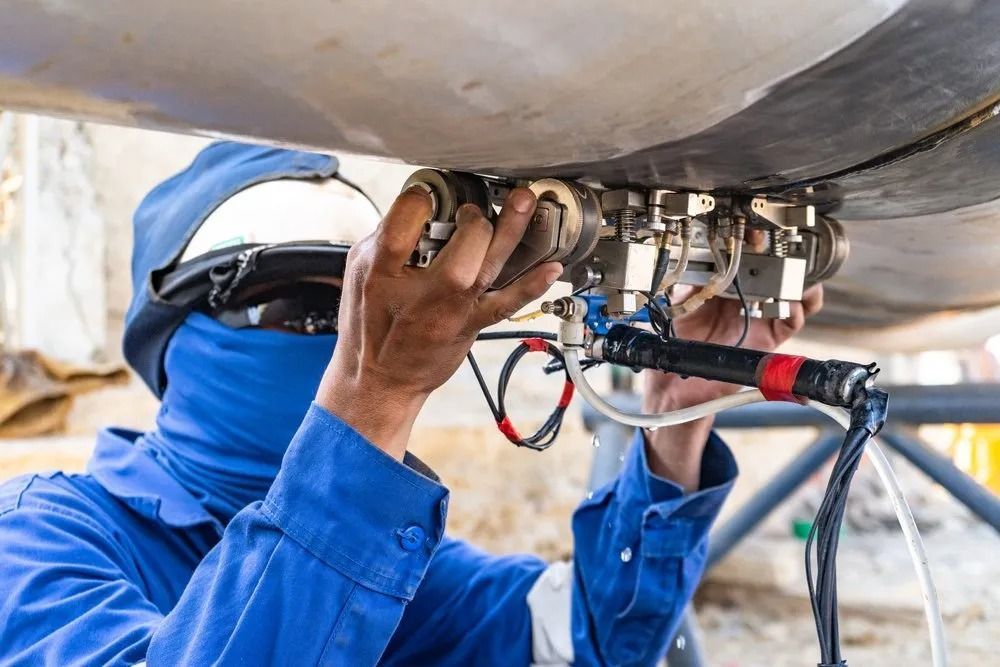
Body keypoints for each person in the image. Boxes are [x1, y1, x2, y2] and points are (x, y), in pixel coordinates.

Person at [0, 142, 821, 666]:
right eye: (297, 312)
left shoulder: (390, 567)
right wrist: (375, 402)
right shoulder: (41, 535)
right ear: (174, 337)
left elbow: (591, 636)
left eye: (362, 314)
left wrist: (673, 419)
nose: (343, 344)